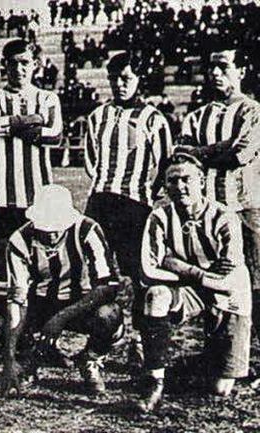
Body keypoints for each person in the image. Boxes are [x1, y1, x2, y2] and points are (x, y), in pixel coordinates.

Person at [0, 185, 125, 395]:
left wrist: (61, 318)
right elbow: (17, 300)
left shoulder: (87, 230)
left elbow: (107, 286)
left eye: (58, 227)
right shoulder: (20, 239)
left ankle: (89, 359)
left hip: (79, 303)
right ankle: (26, 360)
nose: (52, 235)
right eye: (46, 227)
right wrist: (9, 360)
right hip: (39, 304)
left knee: (110, 316)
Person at [136, 152, 251, 413]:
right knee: (156, 295)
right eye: (172, 181)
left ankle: (194, 365)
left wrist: (174, 263)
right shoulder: (159, 217)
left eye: (186, 179)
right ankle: (155, 380)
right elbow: (147, 271)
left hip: (230, 295)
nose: (179, 187)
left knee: (220, 389)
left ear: (201, 180)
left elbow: (227, 280)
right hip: (190, 289)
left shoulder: (225, 217)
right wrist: (199, 274)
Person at [83, 52, 172, 363]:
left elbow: (163, 164)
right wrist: (105, 185)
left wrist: (144, 191)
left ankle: (137, 339)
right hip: (99, 203)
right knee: (97, 274)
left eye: (127, 78)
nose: (120, 84)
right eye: (114, 78)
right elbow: (90, 159)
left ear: (139, 81)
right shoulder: (97, 116)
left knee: (137, 275)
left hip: (135, 206)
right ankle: (103, 336)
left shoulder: (154, 119)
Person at [0, 39, 63, 330]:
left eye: (25, 62)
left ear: (34, 65)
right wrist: (31, 121)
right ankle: (2, 329)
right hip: (2, 197)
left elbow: (54, 134)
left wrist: (12, 125)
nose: (19, 68)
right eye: (12, 62)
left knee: (42, 264)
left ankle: (39, 333)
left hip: (40, 198)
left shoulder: (49, 98)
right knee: (2, 263)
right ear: (4, 65)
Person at [176, 48, 260, 338]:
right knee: (214, 282)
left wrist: (200, 152)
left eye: (223, 66)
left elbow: (241, 153)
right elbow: (181, 157)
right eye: (211, 67)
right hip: (209, 213)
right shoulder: (197, 116)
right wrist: (220, 148)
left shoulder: (253, 110)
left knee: (257, 281)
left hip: (247, 208)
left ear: (242, 71)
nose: (215, 73)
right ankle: (218, 359)